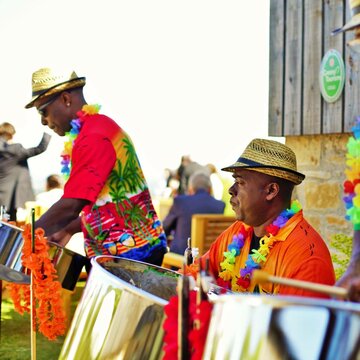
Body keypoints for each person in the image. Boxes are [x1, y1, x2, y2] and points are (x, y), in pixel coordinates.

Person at [25, 67, 167, 266]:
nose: (43, 121)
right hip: (127, 252)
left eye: (43, 111)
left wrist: (26, 237)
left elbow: (72, 204)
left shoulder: (93, 136)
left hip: (130, 255)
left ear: (66, 99)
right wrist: (67, 229)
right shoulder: (97, 127)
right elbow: (107, 204)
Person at [189, 138, 335, 298]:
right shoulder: (238, 232)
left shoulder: (307, 257)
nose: (231, 190)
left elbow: (292, 322)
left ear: (271, 191)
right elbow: (197, 274)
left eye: (240, 182)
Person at [163, 171, 225, 255]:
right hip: (208, 261)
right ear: (209, 189)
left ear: (190, 188)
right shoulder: (220, 206)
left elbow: (164, 229)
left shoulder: (180, 201)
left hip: (180, 261)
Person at [0, 122, 51, 221]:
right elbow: (39, 149)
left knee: (5, 218)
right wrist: (49, 130)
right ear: (10, 134)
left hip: (2, 192)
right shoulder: (15, 149)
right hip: (11, 195)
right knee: (8, 222)